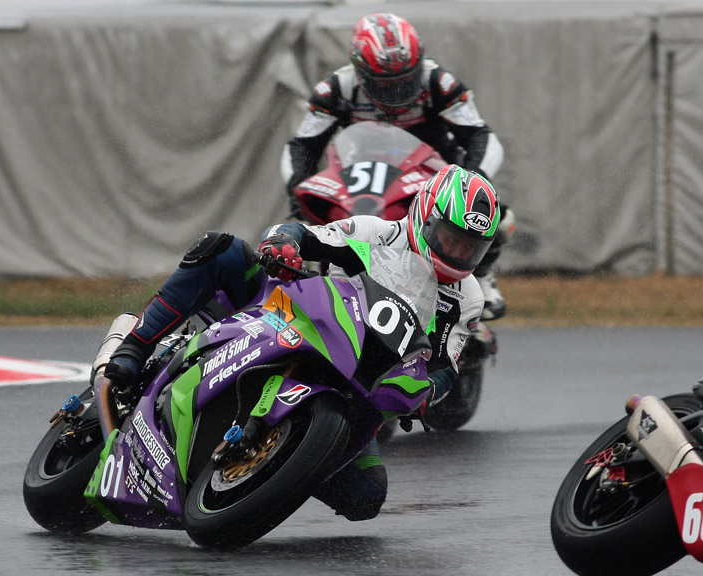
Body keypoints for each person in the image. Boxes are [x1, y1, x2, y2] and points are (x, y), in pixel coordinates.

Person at [102, 164, 500, 522]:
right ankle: (134, 346)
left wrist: (427, 392)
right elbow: (302, 234)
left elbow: (445, 364)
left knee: (366, 496)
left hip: (360, 385)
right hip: (293, 320)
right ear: (425, 217)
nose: (458, 253)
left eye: (471, 248)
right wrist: (284, 245)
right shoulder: (375, 233)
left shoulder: (468, 298)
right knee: (222, 250)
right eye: (450, 239)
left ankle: (278, 463)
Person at [281, 12, 514, 320]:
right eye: (386, 84)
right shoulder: (335, 88)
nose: (397, 92)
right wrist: (297, 186)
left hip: (433, 175)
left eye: (406, 80)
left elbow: (480, 135)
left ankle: (481, 279)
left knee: (496, 218)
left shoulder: (439, 82)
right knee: (309, 218)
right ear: (360, 72)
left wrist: (475, 176)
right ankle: (311, 285)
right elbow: (303, 144)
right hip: (363, 178)